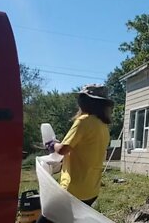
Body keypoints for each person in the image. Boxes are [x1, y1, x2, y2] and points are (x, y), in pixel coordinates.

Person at [37, 84, 113, 223]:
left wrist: (52, 144)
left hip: (73, 189)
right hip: (91, 190)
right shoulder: (103, 126)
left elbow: (63, 150)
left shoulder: (83, 121)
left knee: (46, 220)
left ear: (85, 102)